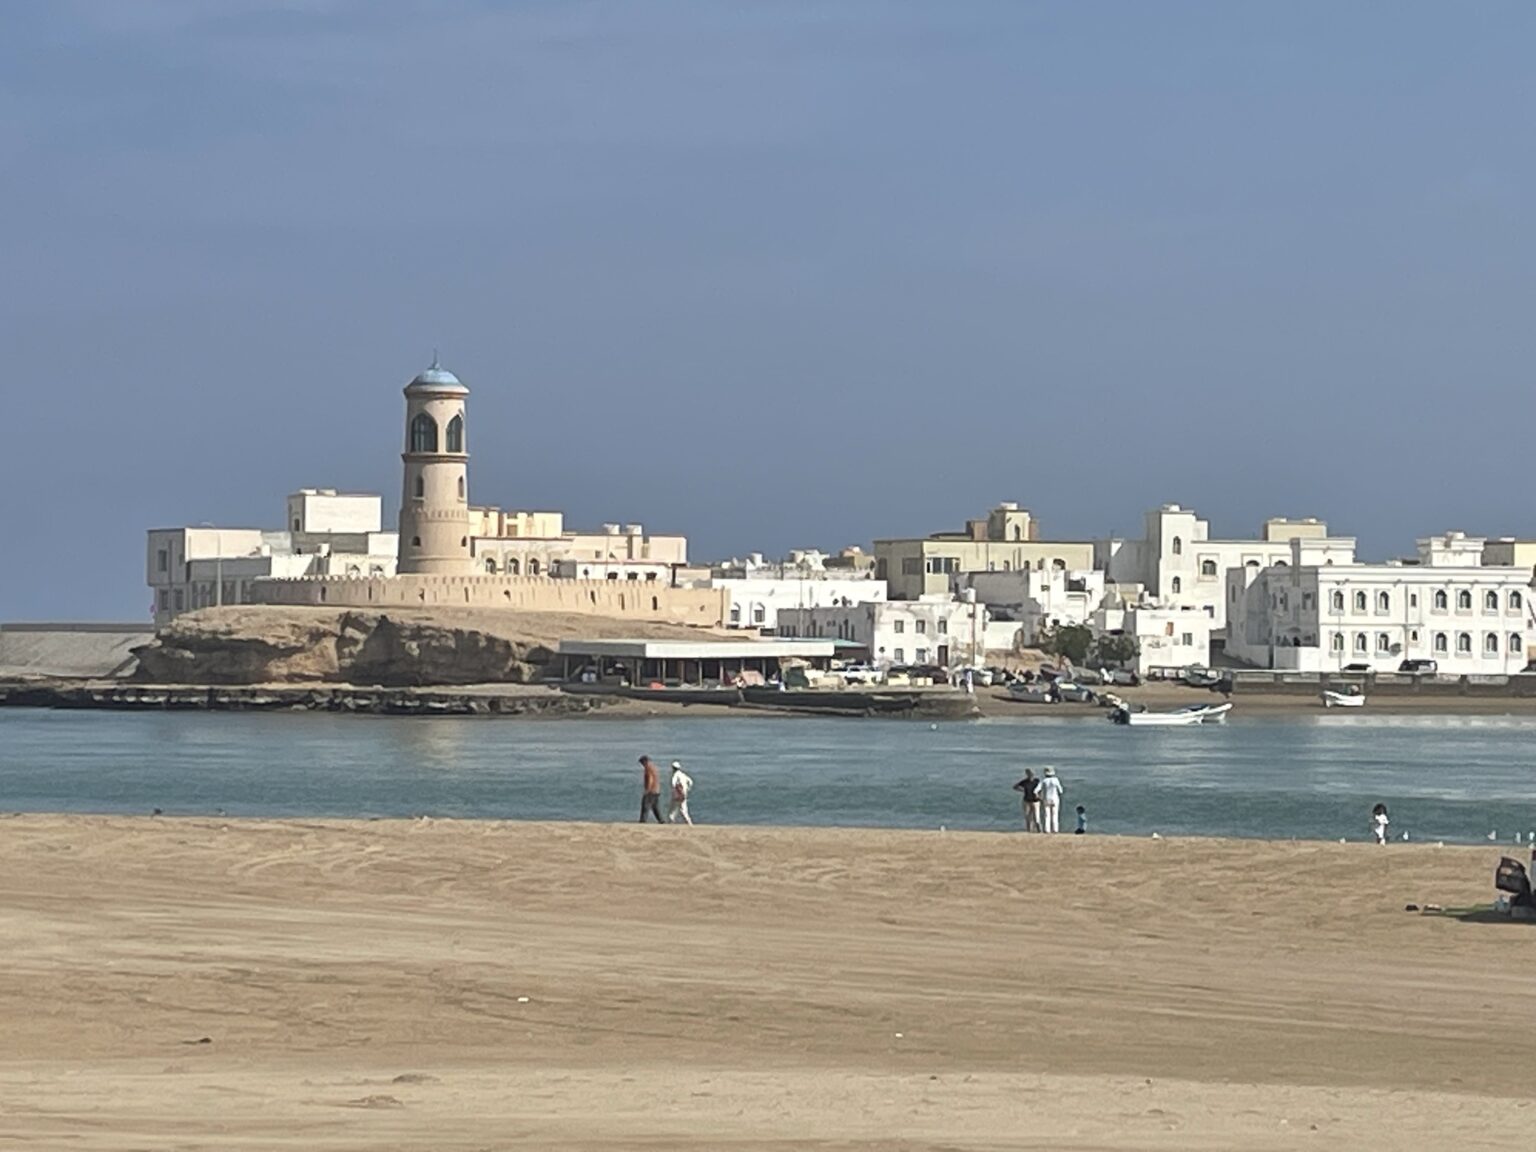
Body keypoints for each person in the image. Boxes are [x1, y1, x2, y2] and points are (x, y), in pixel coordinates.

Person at [638, 755, 664, 824]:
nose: (642, 765)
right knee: (655, 807)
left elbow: (650, 779)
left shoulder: (648, 768)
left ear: (645, 762)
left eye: (642, 763)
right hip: (656, 790)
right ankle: (661, 821)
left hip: (651, 791)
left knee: (645, 806)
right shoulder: (654, 768)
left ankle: (642, 821)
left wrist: (647, 790)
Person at [1037, 766, 1064, 834]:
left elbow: (1036, 790)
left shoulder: (1044, 780)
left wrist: (1039, 796)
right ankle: (1055, 829)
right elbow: (1061, 791)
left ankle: (1047, 829)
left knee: (1047, 815)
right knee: (1055, 814)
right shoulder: (1056, 780)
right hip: (1055, 798)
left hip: (1046, 798)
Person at [668, 760, 695, 825]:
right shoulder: (683, 774)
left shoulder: (675, 775)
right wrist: (687, 789)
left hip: (677, 795)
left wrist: (674, 791)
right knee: (683, 809)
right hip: (684, 794)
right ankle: (689, 822)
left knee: (673, 809)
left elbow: (673, 784)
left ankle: (671, 821)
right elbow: (691, 782)